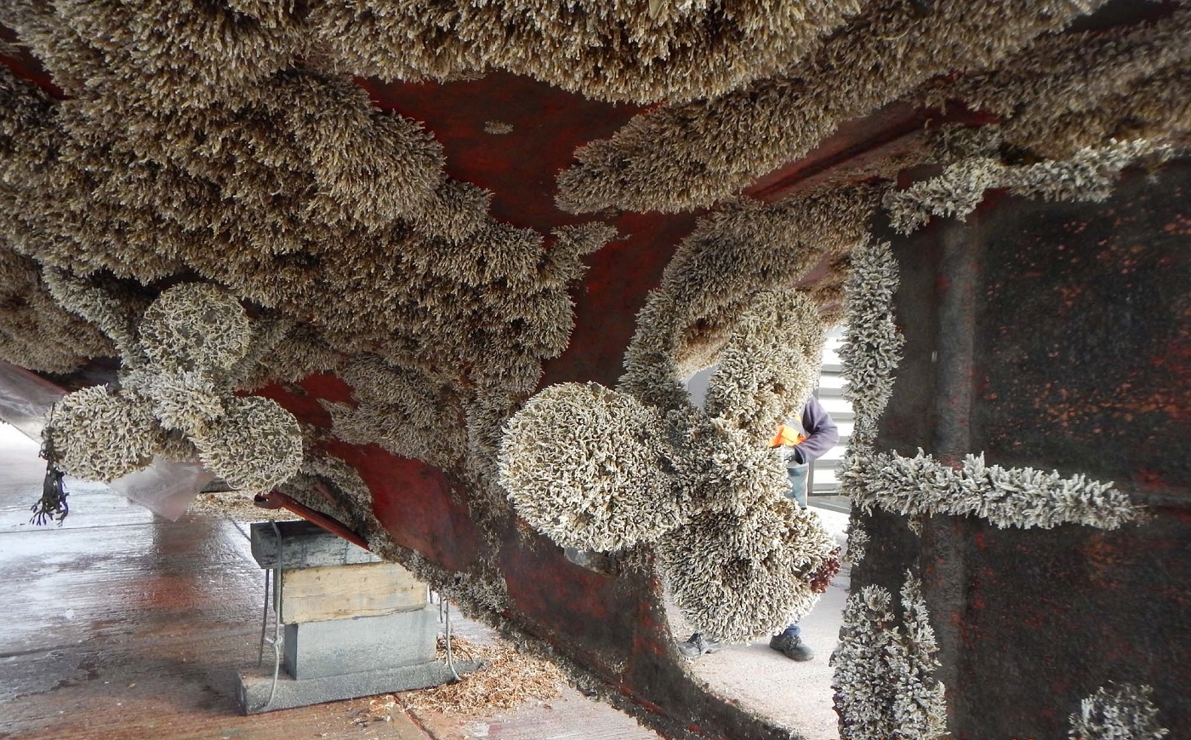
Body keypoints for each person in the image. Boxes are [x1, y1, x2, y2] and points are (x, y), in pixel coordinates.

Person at [678, 395, 838, 661]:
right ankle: (708, 632)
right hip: (737, 496)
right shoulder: (737, 391)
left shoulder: (801, 397)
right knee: (723, 559)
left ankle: (787, 631)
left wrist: (797, 453)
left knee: (787, 564)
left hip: (786, 496)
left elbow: (829, 432)